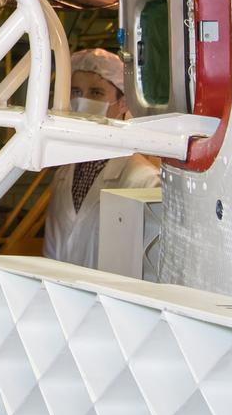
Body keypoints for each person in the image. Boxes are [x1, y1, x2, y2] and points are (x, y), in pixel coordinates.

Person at [43, 48, 160, 268]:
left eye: (96, 93)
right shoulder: (63, 174)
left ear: (124, 103)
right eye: (76, 91)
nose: (82, 102)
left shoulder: (144, 180)